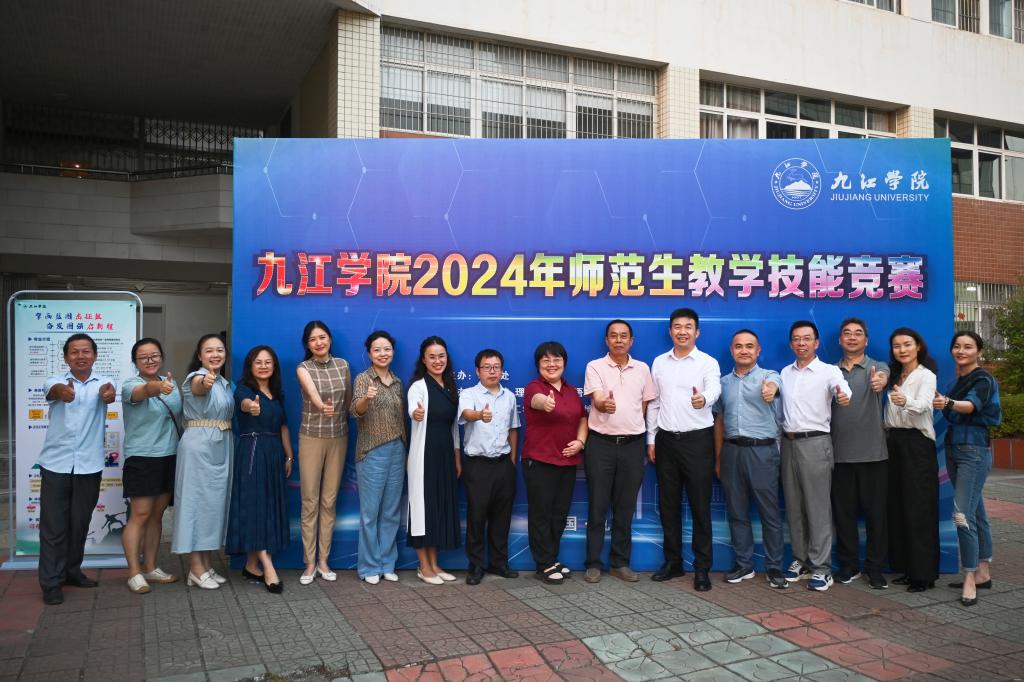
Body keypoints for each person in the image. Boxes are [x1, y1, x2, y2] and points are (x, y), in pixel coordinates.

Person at [37, 333, 116, 605]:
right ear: (66, 357)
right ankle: (51, 583)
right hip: (56, 465)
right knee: (53, 527)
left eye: (85, 351)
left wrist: (108, 395)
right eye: (74, 352)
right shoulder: (55, 380)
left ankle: (71, 571)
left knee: (79, 523)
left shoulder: (104, 382)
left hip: (89, 466)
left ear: (94, 355)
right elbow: (54, 391)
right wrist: (64, 392)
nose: (80, 356)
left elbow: (109, 394)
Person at [647, 308, 721, 591]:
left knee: (700, 506)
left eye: (688, 327)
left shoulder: (707, 362)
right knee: (668, 506)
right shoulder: (659, 362)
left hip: (698, 442)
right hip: (666, 441)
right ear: (670, 331)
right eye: (677, 327)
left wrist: (704, 399)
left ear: (697, 332)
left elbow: (714, 389)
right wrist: (651, 439)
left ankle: (702, 568)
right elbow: (654, 403)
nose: (682, 332)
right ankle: (673, 563)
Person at [779, 320, 852, 592]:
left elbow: (841, 388)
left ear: (816, 343)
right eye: (797, 339)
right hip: (788, 444)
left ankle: (822, 568)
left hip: (816, 443)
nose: (801, 343)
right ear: (791, 343)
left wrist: (843, 395)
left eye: (807, 338)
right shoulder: (784, 373)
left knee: (817, 508)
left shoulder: (828, 371)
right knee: (794, 507)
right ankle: (802, 561)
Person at [712, 329, 787, 589]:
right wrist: (719, 457)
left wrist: (770, 390)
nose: (744, 350)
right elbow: (719, 421)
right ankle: (744, 565)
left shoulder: (769, 376)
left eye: (749, 346)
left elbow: (774, 386)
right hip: (731, 451)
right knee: (737, 512)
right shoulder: (722, 383)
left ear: (758, 350)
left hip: (762, 452)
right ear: (732, 350)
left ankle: (774, 566)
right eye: (739, 346)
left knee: (769, 513)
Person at [583, 319, 656, 583]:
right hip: (600, 444)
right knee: (598, 506)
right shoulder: (595, 366)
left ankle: (620, 563)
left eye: (624, 336)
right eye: (613, 336)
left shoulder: (642, 369)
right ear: (606, 340)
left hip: (632, 446)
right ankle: (593, 563)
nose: (618, 340)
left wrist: (636, 429)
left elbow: (644, 406)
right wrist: (604, 406)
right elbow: (597, 399)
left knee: (625, 508)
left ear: (631, 341)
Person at [933, 331, 1003, 607]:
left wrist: (948, 403)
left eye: (968, 347)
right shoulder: (955, 382)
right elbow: (953, 409)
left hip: (974, 451)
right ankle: (984, 571)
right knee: (976, 513)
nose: (961, 351)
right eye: (957, 346)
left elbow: (971, 406)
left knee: (961, 515)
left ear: (979, 352)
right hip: (954, 449)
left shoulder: (983, 379)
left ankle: (970, 577)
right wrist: (946, 401)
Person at [226, 346, 292, 594]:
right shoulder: (244, 389)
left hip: (274, 453)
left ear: (274, 366)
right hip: (253, 451)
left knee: (268, 507)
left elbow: (283, 426)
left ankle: (251, 565)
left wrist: (289, 456)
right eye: (258, 362)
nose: (263, 366)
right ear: (250, 366)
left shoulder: (277, 393)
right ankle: (268, 566)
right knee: (256, 507)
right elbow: (244, 405)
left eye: (268, 362)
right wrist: (250, 407)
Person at [830, 319, 890, 590]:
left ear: (866, 340)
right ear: (840, 340)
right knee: (844, 517)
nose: (852, 337)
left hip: (873, 456)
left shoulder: (878, 367)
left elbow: (882, 379)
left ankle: (875, 569)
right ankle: (849, 566)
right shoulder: (830, 372)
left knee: (877, 517)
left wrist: (880, 382)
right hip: (839, 456)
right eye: (847, 333)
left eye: (858, 334)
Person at [172, 333, 233, 589]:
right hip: (199, 447)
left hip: (221, 445)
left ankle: (206, 565)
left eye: (219, 350)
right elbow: (199, 386)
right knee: (196, 505)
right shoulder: (196, 377)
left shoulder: (224, 383)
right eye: (209, 350)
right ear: (199, 356)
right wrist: (205, 381)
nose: (215, 354)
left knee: (212, 507)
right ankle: (195, 568)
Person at [523, 341, 587, 584]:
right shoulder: (534, 387)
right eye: (546, 360)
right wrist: (546, 403)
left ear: (564, 363)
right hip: (540, 460)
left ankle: (552, 557)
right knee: (541, 513)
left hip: (567, 462)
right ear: (538, 365)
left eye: (557, 359)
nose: (552, 364)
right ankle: (543, 564)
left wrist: (580, 441)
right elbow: (537, 400)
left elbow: (583, 418)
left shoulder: (571, 391)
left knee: (559, 514)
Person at [120, 337, 181, 594]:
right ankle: (134, 572)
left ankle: (151, 567)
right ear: (135, 362)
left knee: (157, 515)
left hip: (170, 455)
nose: (150, 360)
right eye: (143, 357)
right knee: (140, 515)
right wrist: (157, 387)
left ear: (162, 357)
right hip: (142, 458)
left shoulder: (172, 384)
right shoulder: (129, 385)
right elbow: (143, 392)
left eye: (154, 355)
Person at [295, 320, 352, 585]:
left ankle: (323, 561)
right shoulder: (303, 368)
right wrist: (321, 406)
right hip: (311, 438)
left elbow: (349, 402)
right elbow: (311, 391)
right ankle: (309, 563)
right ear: (307, 345)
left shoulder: (343, 365)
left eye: (322, 337)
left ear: (330, 339)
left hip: (338, 438)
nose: (319, 343)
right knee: (310, 501)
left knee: (329, 501)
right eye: (313, 339)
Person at [458, 349, 521, 585]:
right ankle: (475, 566)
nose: (492, 371)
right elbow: (466, 414)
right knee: (476, 517)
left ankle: (499, 563)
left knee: (501, 518)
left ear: (502, 370)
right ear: (478, 371)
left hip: (503, 464)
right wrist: (479, 415)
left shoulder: (510, 397)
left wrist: (512, 460)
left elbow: (513, 428)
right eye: (487, 367)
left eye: (496, 367)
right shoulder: (468, 394)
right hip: (478, 465)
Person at [884, 327, 939, 594]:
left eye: (907, 344)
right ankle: (907, 568)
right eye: (897, 346)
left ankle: (923, 574)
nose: (902, 350)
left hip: (917, 444)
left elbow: (924, 405)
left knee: (919, 508)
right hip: (893, 442)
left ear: (918, 346)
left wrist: (905, 400)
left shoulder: (926, 375)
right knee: (899, 507)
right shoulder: (895, 375)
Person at [350, 330, 407, 585]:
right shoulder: (364, 378)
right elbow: (355, 411)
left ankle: (387, 564)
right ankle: (369, 566)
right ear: (369, 353)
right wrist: (366, 398)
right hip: (372, 451)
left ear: (392, 352)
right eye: (377, 350)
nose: (383, 354)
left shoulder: (397, 382)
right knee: (370, 513)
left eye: (387, 349)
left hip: (397, 449)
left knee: (392, 512)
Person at [406, 336, 461, 585]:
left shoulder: (449, 387)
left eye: (441, 356)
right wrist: (416, 413)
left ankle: (435, 564)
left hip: (445, 456)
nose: (437, 361)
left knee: (438, 508)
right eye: (432, 357)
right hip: (424, 457)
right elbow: (413, 409)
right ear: (424, 360)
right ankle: (423, 566)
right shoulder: (418, 387)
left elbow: (454, 428)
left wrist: (457, 458)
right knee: (422, 510)